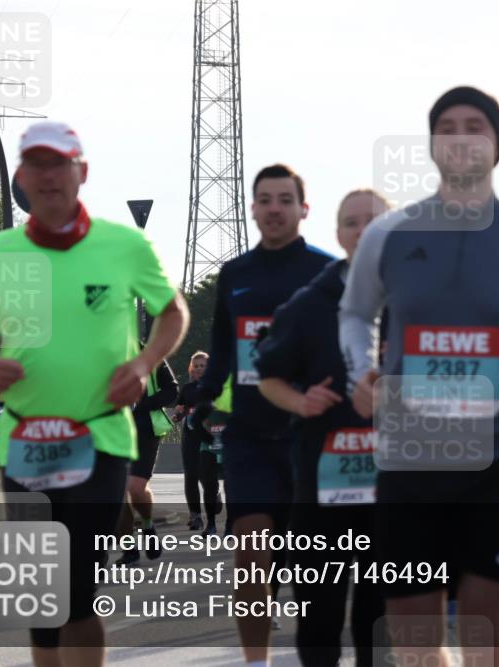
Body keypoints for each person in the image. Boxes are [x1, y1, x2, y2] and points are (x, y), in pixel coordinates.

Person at [340, 87, 499, 667]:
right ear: (432, 145)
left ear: (496, 145)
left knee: (483, 627)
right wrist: (363, 370)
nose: (460, 138)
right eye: (447, 128)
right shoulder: (389, 235)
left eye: (473, 127)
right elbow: (355, 314)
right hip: (411, 455)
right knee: (415, 643)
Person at [0, 121, 189, 666]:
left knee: (76, 587)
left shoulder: (124, 245)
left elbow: (174, 311)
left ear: (82, 172)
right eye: (37, 164)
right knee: (44, 595)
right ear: (22, 178)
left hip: (100, 434)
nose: (49, 175)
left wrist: (147, 360)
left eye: (60, 164)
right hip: (26, 440)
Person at [193, 163, 334, 667]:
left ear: (303, 208)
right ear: (252, 209)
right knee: (252, 554)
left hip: (312, 437)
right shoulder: (236, 274)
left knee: (314, 565)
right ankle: (258, 662)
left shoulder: (327, 270)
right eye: (265, 199)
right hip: (250, 434)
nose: (274, 208)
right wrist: (203, 398)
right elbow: (224, 351)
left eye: (285, 199)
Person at [257, 188, 391, 666]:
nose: (363, 231)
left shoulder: (420, 302)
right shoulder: (309, 304)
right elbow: (267, 375)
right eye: (352, 223)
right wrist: (301, 400)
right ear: (338, 235)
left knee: (381, 621)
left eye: (374, 222)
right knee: (319, 615)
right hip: (321, 489)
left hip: (396, 492)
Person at [115, 355, 178, 565]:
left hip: (145, 430)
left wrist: (142, 404)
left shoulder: (151, 350)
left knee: (135, 487)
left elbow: (172, 391)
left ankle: (148, 526)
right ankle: (129, 547)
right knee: (119, 491)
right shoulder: (100, 349)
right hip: (111, 431)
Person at [174, 351, 209, 530]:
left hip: (209, 435)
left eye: (203, 365)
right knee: (190, 474)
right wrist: (178, 413)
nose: (199, 369)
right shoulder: (187, 389)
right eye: (196, 366)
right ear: (191, 369)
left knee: (206, 473)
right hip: (190, 434)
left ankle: (214, 495)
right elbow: (179, 411)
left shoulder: (214, 387)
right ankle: (195, 515)